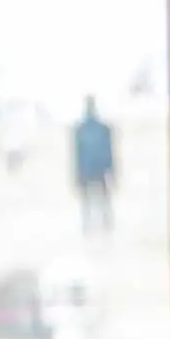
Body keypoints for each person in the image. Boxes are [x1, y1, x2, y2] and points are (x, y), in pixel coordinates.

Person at [71, 95, 115, 235]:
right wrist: (112, 171)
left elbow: (77, 156)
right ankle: (102, 226)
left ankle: (91, 227)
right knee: (100, 203)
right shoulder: (103, 129)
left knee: (90, 204)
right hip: (99, 169)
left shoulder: (80, 130)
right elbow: (110, 152)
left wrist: (76, 175)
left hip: (88, 170)